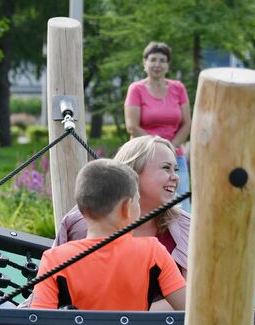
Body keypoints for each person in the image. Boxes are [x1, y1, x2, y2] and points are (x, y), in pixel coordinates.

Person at [30, 159, 186, 310]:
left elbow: (38, 318)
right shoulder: (153, 251)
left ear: (82, 208)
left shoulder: (54, 260)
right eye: (137, 202)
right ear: (126, 207)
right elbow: (190, 308)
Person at [55, 135, 189, 278]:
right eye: (166, 168)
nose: (175, 177)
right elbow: (52, 287)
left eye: (175, 169)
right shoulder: (83, 221)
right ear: (133, 172)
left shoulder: (184, 227)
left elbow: (192, 295)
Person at [124, 41, 192, 211]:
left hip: (176, 158)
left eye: (162, 60)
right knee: (142, 206)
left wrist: (170, 148)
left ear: (168, 65)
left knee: (181, 208)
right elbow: (132, 126)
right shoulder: (136, 89)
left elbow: (187, 123)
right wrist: (157, 149)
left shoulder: (178, 88)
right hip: (144, 156)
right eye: (153, 59)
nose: (157, 64)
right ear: (144, 63)